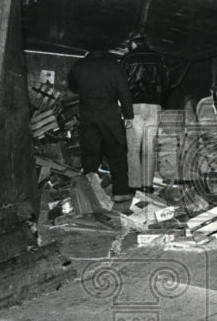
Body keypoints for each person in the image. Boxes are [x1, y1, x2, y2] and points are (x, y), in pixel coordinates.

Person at [67, 49, 134, 202]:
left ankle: (89, 194)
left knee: (90, 153)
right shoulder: (114, 65)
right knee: (117, 152)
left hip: (87, 114)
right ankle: (120, 192)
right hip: (109, 115)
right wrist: (128, 115)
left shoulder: (79, 65)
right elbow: (124, 91)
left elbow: (73, 86)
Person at [120, 34, 170, 193]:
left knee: (133, 148)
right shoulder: (159, 58)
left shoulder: (128, 58)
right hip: (155, 107)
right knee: (150, 149)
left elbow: (121, 84)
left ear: (133, 44)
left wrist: (123, 107)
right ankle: (147, 186)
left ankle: (134, 186)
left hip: (135, 107)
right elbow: (167, 82)